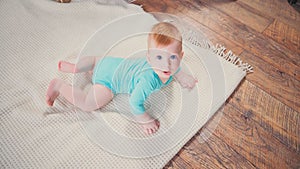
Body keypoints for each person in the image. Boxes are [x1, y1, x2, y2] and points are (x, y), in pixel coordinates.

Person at [46, 22, 197, 135]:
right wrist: (146, 120)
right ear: (149, 58)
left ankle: (78, 67)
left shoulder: (172, 67)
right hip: (109, 82)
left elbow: (176, 70)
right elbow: (134, 103)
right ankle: (59, 86)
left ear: (181, 56)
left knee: (96, 61)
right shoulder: (148, 81)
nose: (166, 64)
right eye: (159, 57)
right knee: (88, 104)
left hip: (107, 62)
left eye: (172, 57)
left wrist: (184, 77)